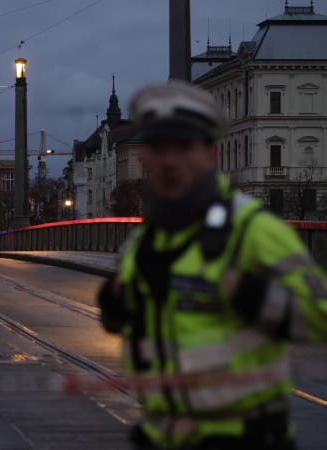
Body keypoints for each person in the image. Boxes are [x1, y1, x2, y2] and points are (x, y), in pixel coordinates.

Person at [97, 80, 327, 450]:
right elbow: (123, 320)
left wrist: (251, 295)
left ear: (210, 155)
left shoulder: (252, 229)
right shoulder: (144, 243)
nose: (171, 161)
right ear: (145, 159)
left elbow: (320, 316)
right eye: (159, 148)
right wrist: (113, 301)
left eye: (184, 148)